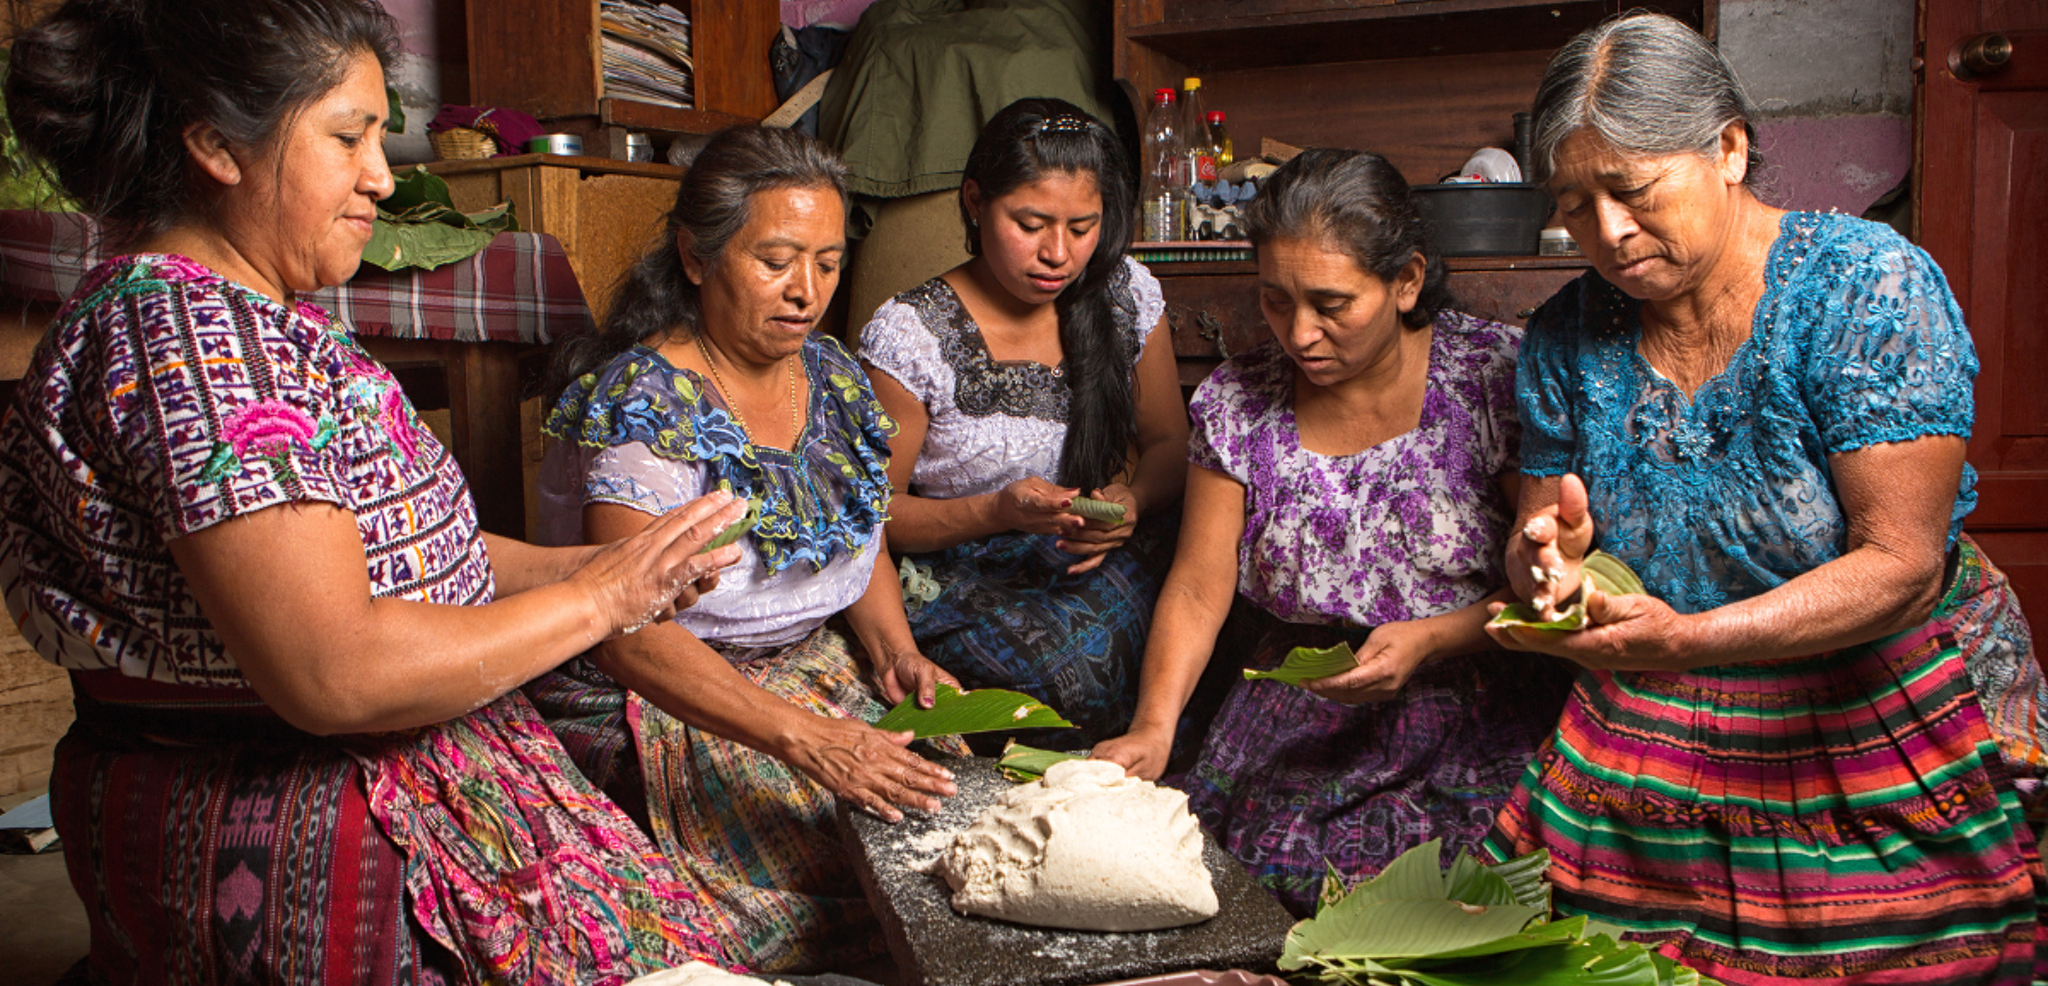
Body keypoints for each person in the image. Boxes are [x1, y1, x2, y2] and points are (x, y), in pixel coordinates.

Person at [0, 1, 761, 983]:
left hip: (410, 772)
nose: (382, 176)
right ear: (216, 144)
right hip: (313, 824)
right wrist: (599, 600)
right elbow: (335, 670)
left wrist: (605, 566)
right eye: (347, 137)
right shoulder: (193, 341)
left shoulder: (247, 317)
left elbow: (402, 551)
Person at [1482, 12, 2048, 984]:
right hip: (1663, 708)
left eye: (1632, 190)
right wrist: (1549, 569)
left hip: (1877, 700)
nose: (1606, 233)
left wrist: (1686, 641)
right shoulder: (1565, 335)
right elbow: (1539, 541)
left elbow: (1902, 565)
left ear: (1729, 150)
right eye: (1574, 206)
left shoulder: (1862, 289)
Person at [1090, 148, 1575, 916]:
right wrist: (1153, 726)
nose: (1300, 333)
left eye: (1331, 303)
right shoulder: (1238, 401)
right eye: (1275, 301)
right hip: (1302, 694)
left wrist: (1429, 640)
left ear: (1406, 280)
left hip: (1475, 687)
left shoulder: (1491, 378)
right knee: (1252, 878)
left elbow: (1552, 588)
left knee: (1441, 890)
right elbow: (1199, 585)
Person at [529, 125, 961, 974]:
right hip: (669, 693)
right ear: (696, 256)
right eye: (776, 261)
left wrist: (895, 654)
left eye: (828, 263)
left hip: (807, 668)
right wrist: (805, 738)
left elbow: (858, 528)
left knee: (939, 827)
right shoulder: (646, 405)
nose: (807, 291)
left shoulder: (831, 376)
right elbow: (629, 630)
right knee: (815, 876)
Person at [856, 98, 1189, 751]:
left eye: (1082, 227)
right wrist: (997, 511)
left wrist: (1132, 500)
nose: (1058, 254)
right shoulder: (912, 335)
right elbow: (870, 516)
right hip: (963, 567)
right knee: (1062, 677)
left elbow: (1170, 444)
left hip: (1085, 546)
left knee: (1213, 590)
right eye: (1030, 224)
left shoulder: (1122, 293)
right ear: (976, 202)